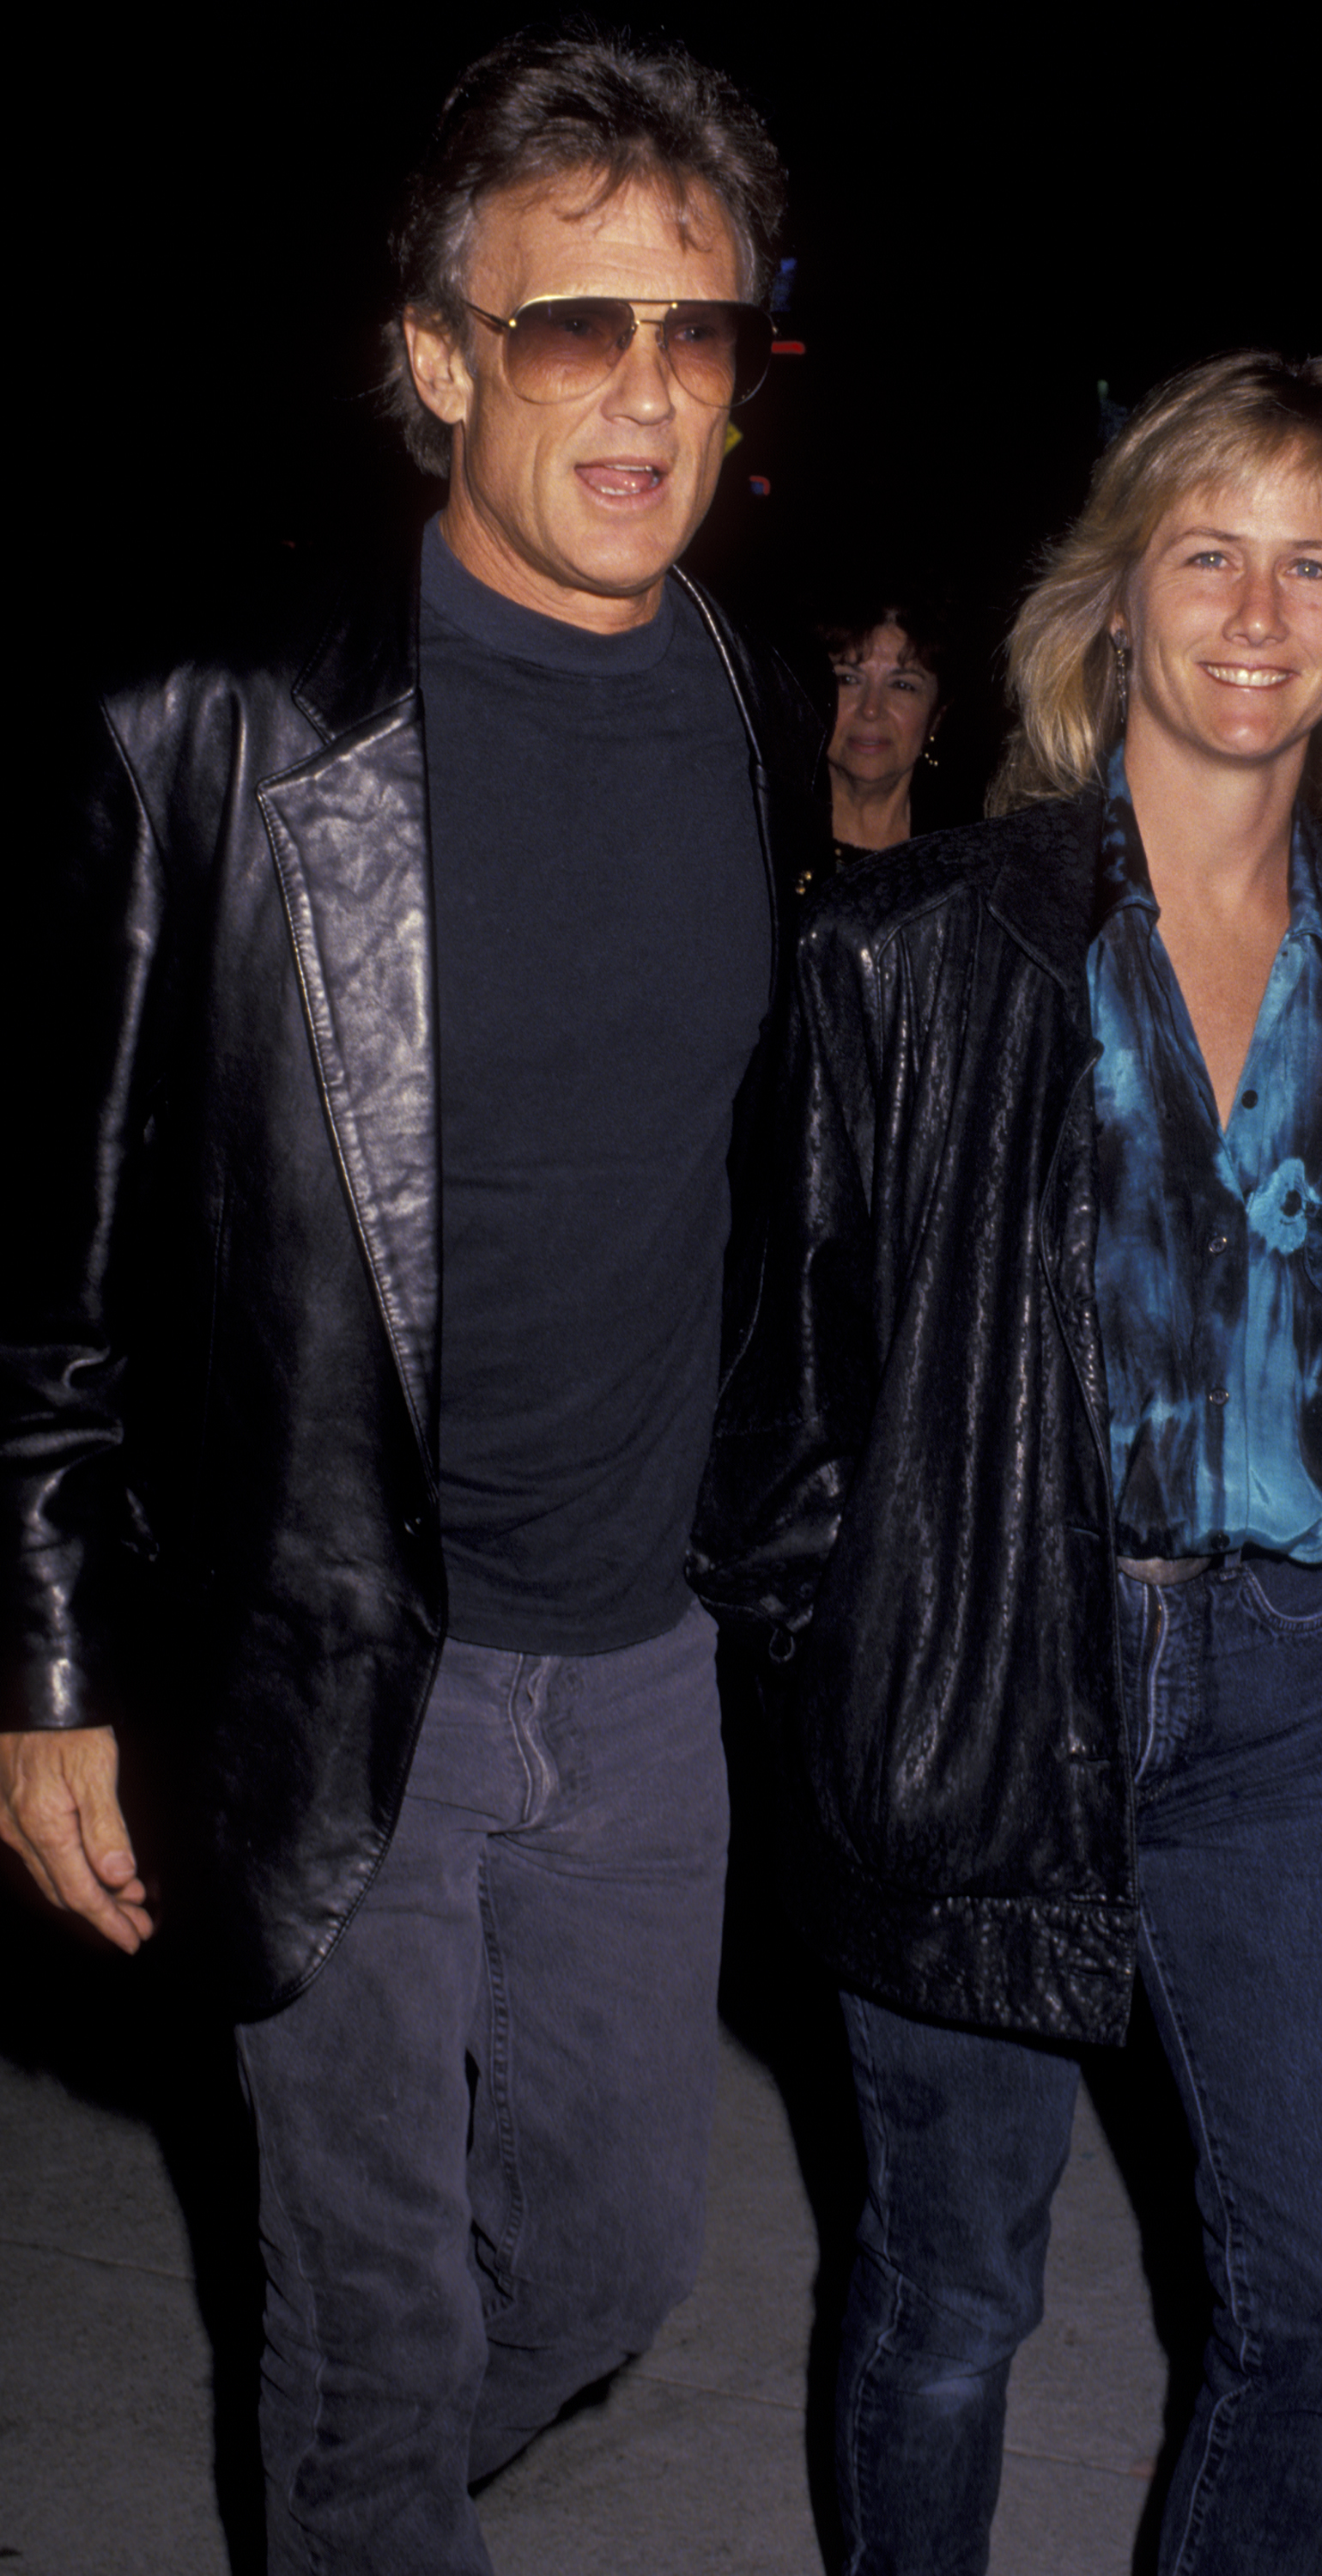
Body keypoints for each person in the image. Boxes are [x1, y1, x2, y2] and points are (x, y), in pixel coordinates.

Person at [1, 29, 823, 2573]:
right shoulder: (220, 740)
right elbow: (58, 1249)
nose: (647, 392)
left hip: (645, 1661)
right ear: (441, 360)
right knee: (374, 2323)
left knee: (601, 2267)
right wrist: (45, 1677)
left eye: (706, 333)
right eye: (579, 327)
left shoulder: (739, 704)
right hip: (349, 1658)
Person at [693, 351, 1322, 2574]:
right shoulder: (910, 957)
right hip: (982, 1677)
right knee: (958, 2298)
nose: (1258, 612)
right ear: (1117, 596)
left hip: (1292, 1707)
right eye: (1208, 551)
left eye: (1315, 564)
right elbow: (777, 1415)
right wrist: (854, 1681)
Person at [804, 596, 949, 889]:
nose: (871, 709)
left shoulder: (965, 856)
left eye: (903, 685)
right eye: (848, 679)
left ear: (936, 718)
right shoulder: (764, 829)